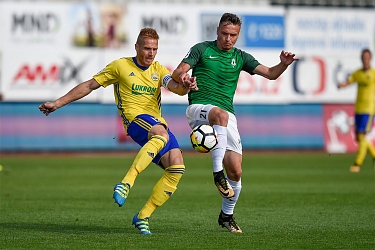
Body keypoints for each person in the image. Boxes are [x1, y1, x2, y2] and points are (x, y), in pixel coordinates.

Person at [39, 28, 197, 235]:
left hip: (157, 123)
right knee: (161, 133)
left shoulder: (159, 69)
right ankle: (126, 182)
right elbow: (89, 85)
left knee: (177, 166)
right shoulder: (120, 66)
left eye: (155, 49)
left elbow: (175, 87)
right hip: (135, 122)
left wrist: (185, 85)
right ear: (137, 47)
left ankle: (143, 216)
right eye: (147, 48)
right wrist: (58, 103)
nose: (151, 53)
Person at [172, 13, 299, 233]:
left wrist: (283, 64)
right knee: (220, 115)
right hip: (199, 109)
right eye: (224, 33)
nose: (228, 39)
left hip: (226, 117)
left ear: (238, 35)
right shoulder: (202, 49)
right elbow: (178, 71)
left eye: (233, 35)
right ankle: (216, 174)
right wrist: (184, 78)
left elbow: (270, 74)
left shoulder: (241, 57)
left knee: (237, 172)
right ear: (217, 31)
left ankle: (226, 216)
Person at [338, 48, 375, 173]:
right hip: (358, 108)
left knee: (361, 135)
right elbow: (349, 82)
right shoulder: (358, 73)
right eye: (363, 57)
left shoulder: (374, 73)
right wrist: (342, 85)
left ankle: (357, 163)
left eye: (367, 57)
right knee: (360, 138)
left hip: (369, 109)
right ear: (361, 58)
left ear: (370, 58)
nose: (365, 59)